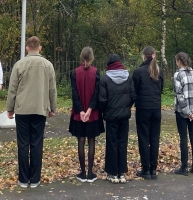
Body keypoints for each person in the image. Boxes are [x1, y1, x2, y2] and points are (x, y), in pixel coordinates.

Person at [6, 36, 57, 189]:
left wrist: (10, 108)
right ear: (39, 48)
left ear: (27, 48)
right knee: (36, 143)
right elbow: (52, 89)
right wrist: (53, 107)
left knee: (23, 144)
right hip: (40, 108)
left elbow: (12, 88)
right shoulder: (48, 65)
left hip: (22, 109)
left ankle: (23, 178)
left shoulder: (19, 65)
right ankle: (34, 179)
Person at [98, 53, 136, 184]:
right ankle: (122, 173)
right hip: (124, 115)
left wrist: (104, 111)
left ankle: (112, 172)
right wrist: (126, 107)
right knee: (122, 143)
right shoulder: (128, 77)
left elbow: (102, 99)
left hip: (111, 116)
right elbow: (133, 96)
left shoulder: (105, 79)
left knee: (112, 143)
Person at [69, 47, 104, 183]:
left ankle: (83, 173)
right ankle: (90, 173)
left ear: (81, 56)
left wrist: (81, 111)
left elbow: (74, 94)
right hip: (92, 113)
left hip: (79, 113)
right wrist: (90, 110)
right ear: (92, 57)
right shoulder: (96, 73)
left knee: (81, 139)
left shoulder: (74, 73)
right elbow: (96, 93)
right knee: (91, 140)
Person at [133, 45, 164, 180]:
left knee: (144, 138)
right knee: (154, 138)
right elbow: (161, 89)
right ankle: (153, 168)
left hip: (143, 109)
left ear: (144, 56)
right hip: (156, 108)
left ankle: (146, 168)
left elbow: (134, 90)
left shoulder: (138, 72)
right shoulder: (159, 72)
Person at [173, 52, 193, 176]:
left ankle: (184, 166)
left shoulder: (178, 75)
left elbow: (179, 94)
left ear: (179, 61)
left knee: (183, 137)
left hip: (182, 111)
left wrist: (187, 111)